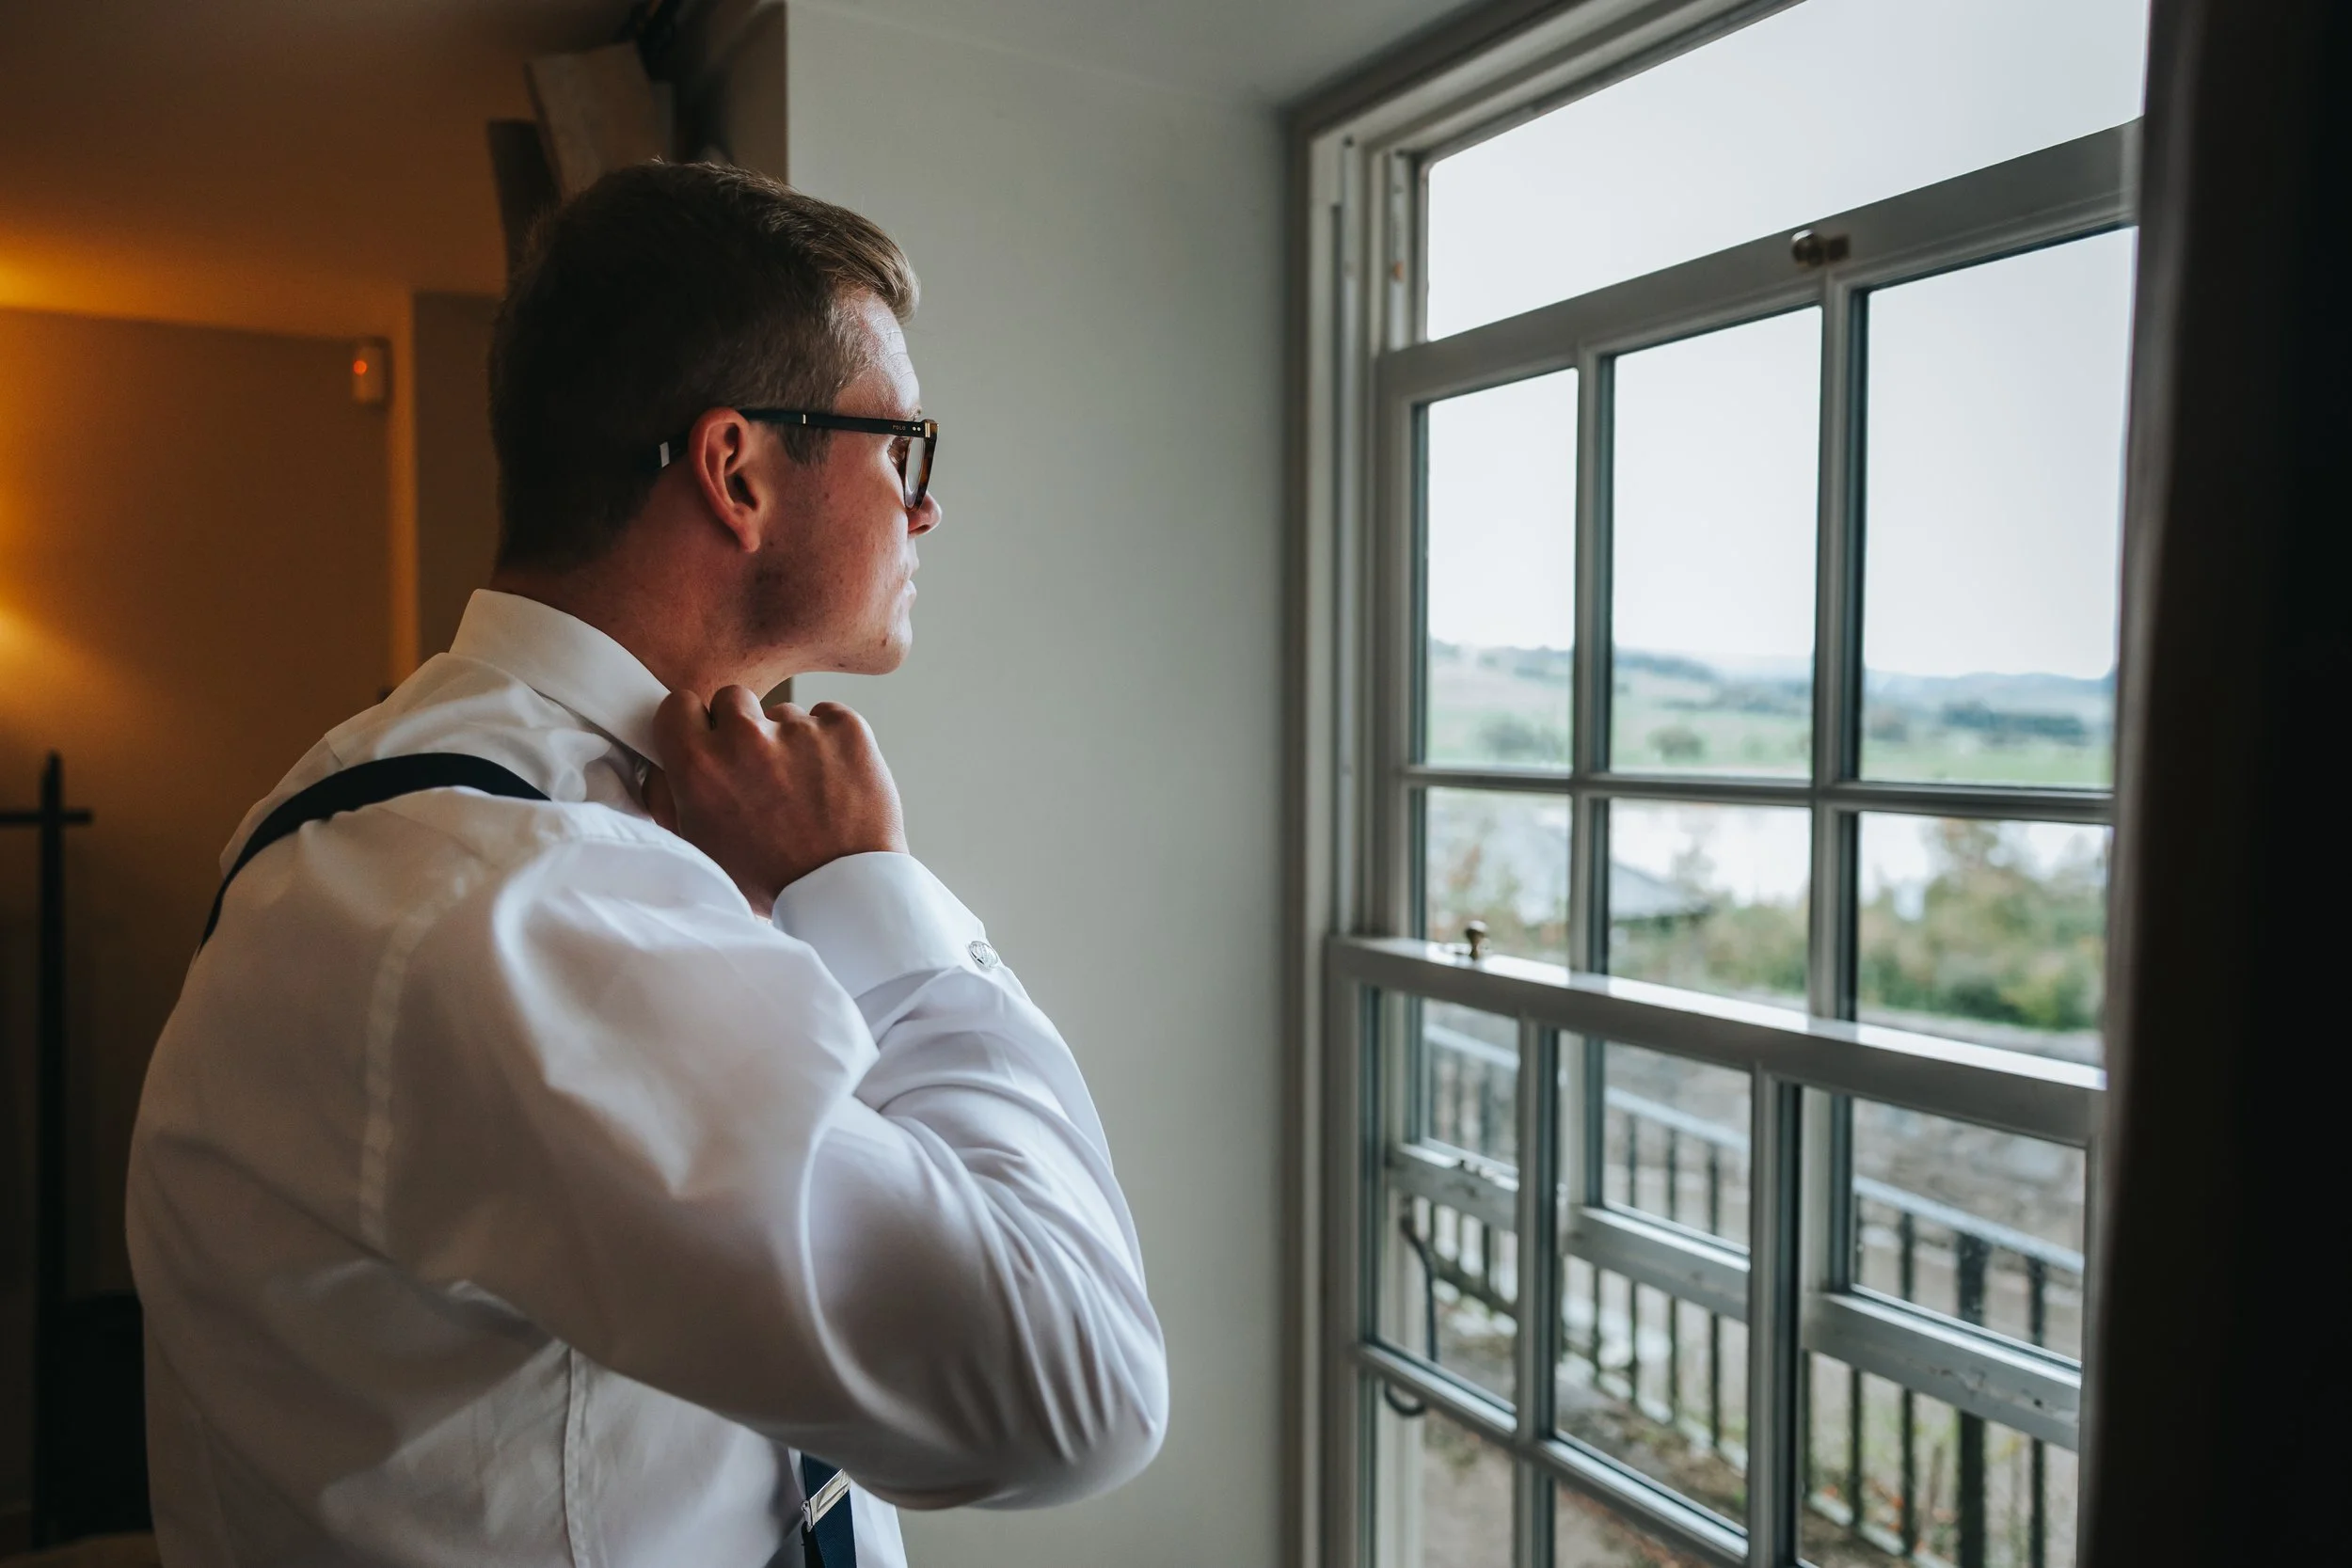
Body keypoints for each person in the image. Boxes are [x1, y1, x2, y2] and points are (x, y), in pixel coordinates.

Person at [126, 161, 1168, 1568]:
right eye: (899, 448)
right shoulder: (513, 898)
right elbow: (1078, 1388)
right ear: (736, 469)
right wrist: (871, 893)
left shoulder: (422, 799)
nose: (925, 511)